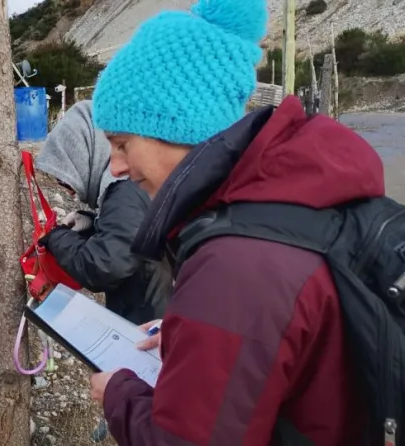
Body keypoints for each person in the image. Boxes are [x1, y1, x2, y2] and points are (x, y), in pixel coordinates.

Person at [85, 0, 375, 444]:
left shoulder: (235, 263)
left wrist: (118, 393)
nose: (117, 166)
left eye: (122, 143)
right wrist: (191, 335)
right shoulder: (285, 205)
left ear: (177, 124)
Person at [36, 100, 172, 327]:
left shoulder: (124, 189)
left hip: (150, 322)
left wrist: (56, 237)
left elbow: (105, 265)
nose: (65, 185)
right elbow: (133, 236)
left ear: (85, 151)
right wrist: (92, 223)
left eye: (67, 170)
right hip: (157, 312)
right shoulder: (136, 182)